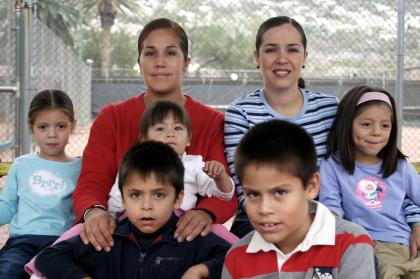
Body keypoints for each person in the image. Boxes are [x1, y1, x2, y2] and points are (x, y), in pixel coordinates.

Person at [72, 17, 237, 252]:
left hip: (184, 236)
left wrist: (205, 213)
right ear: (139, 62)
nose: (160, 62)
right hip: (120, 228)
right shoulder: (112, 117)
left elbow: (224, 187)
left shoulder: (212, 121)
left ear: (186, 63)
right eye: (150, 54)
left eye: (170, 53)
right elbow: (92, 180)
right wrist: (94, 210)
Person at [36, 141, 231, 279]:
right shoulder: (106, 238)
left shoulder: (190, 237)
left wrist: (201, 270)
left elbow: (238, 257)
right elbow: (48, 257)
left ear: (178, 199)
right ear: (122, 199)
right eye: (136, 195)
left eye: (159, 195)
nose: (146, 206)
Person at [224, 16, 338, 238]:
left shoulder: (330, 109)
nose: (282, 59)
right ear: (256, 57)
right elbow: (243, 190)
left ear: (305, 57)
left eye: (292, 50)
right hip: (260, 219)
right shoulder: (241, 112)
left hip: (323, 216)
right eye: (271, 50)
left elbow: (350, 173)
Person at [222, 119, 376, 278]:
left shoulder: (351, 243)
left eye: (280, 192)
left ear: (311, 186)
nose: (264, 209)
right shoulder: (237, 256)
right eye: (253, 194)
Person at [319, 85, 420, 278]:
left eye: (385, 126)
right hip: (369, 244)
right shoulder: (332, 165)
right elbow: (331, 206)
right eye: (366, 124)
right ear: (347, 124)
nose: (376, 132)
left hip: (407, 243)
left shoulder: (399, 165)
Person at [0, 89, 81, 279]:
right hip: (22, 242)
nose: (52, 134)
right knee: (7, 272)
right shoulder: (21, 164)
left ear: (73, 126)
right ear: (31, 127)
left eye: (61, 126)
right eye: (43, 127)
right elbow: (7, 206)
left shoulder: (81, 167)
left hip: (62, 243)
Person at [108, 100, 234, 216]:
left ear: (188, 139)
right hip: (138, 223)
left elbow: (225, 195)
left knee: (224, 237)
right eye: (160, 129)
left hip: (181, 228)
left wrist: (220, 176)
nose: (170, 134)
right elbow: (116, 202)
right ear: (143, 139)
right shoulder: (133, 164)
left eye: (178, 128)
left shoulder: (194, 164)